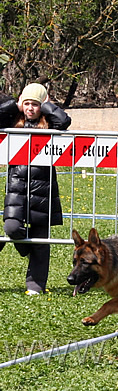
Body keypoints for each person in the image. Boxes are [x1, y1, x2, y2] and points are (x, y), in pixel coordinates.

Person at [0, 83, 71, 295]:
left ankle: (35, 286)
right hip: (16, 189)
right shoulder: (13, 121)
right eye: (27, 104)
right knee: (12, 228)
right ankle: (25, 248)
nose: (31, 108)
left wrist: (47, 106)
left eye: (35, 104)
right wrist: (17, 104)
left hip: (43, 190)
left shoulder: (49, 123)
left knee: (41, 241)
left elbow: (64, 121)